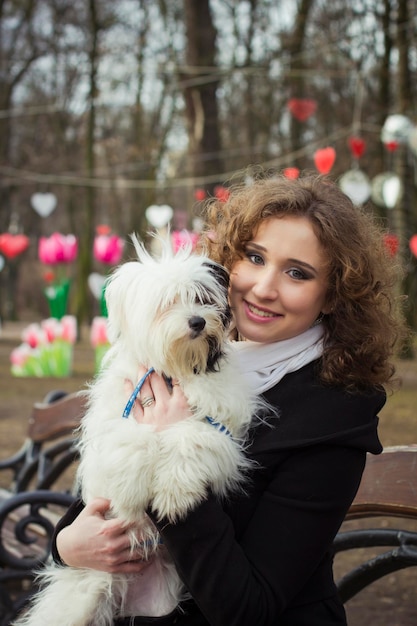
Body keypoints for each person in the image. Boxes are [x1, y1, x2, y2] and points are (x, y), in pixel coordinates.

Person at [52, 172, 405, 626]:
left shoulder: (333, 417)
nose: (263, 287)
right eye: (254, 258)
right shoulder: (189, 359)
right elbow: (98, 496)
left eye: (297, 273)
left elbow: (249, 609)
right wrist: (66, 546)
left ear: (334, 295)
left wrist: (175, 453)